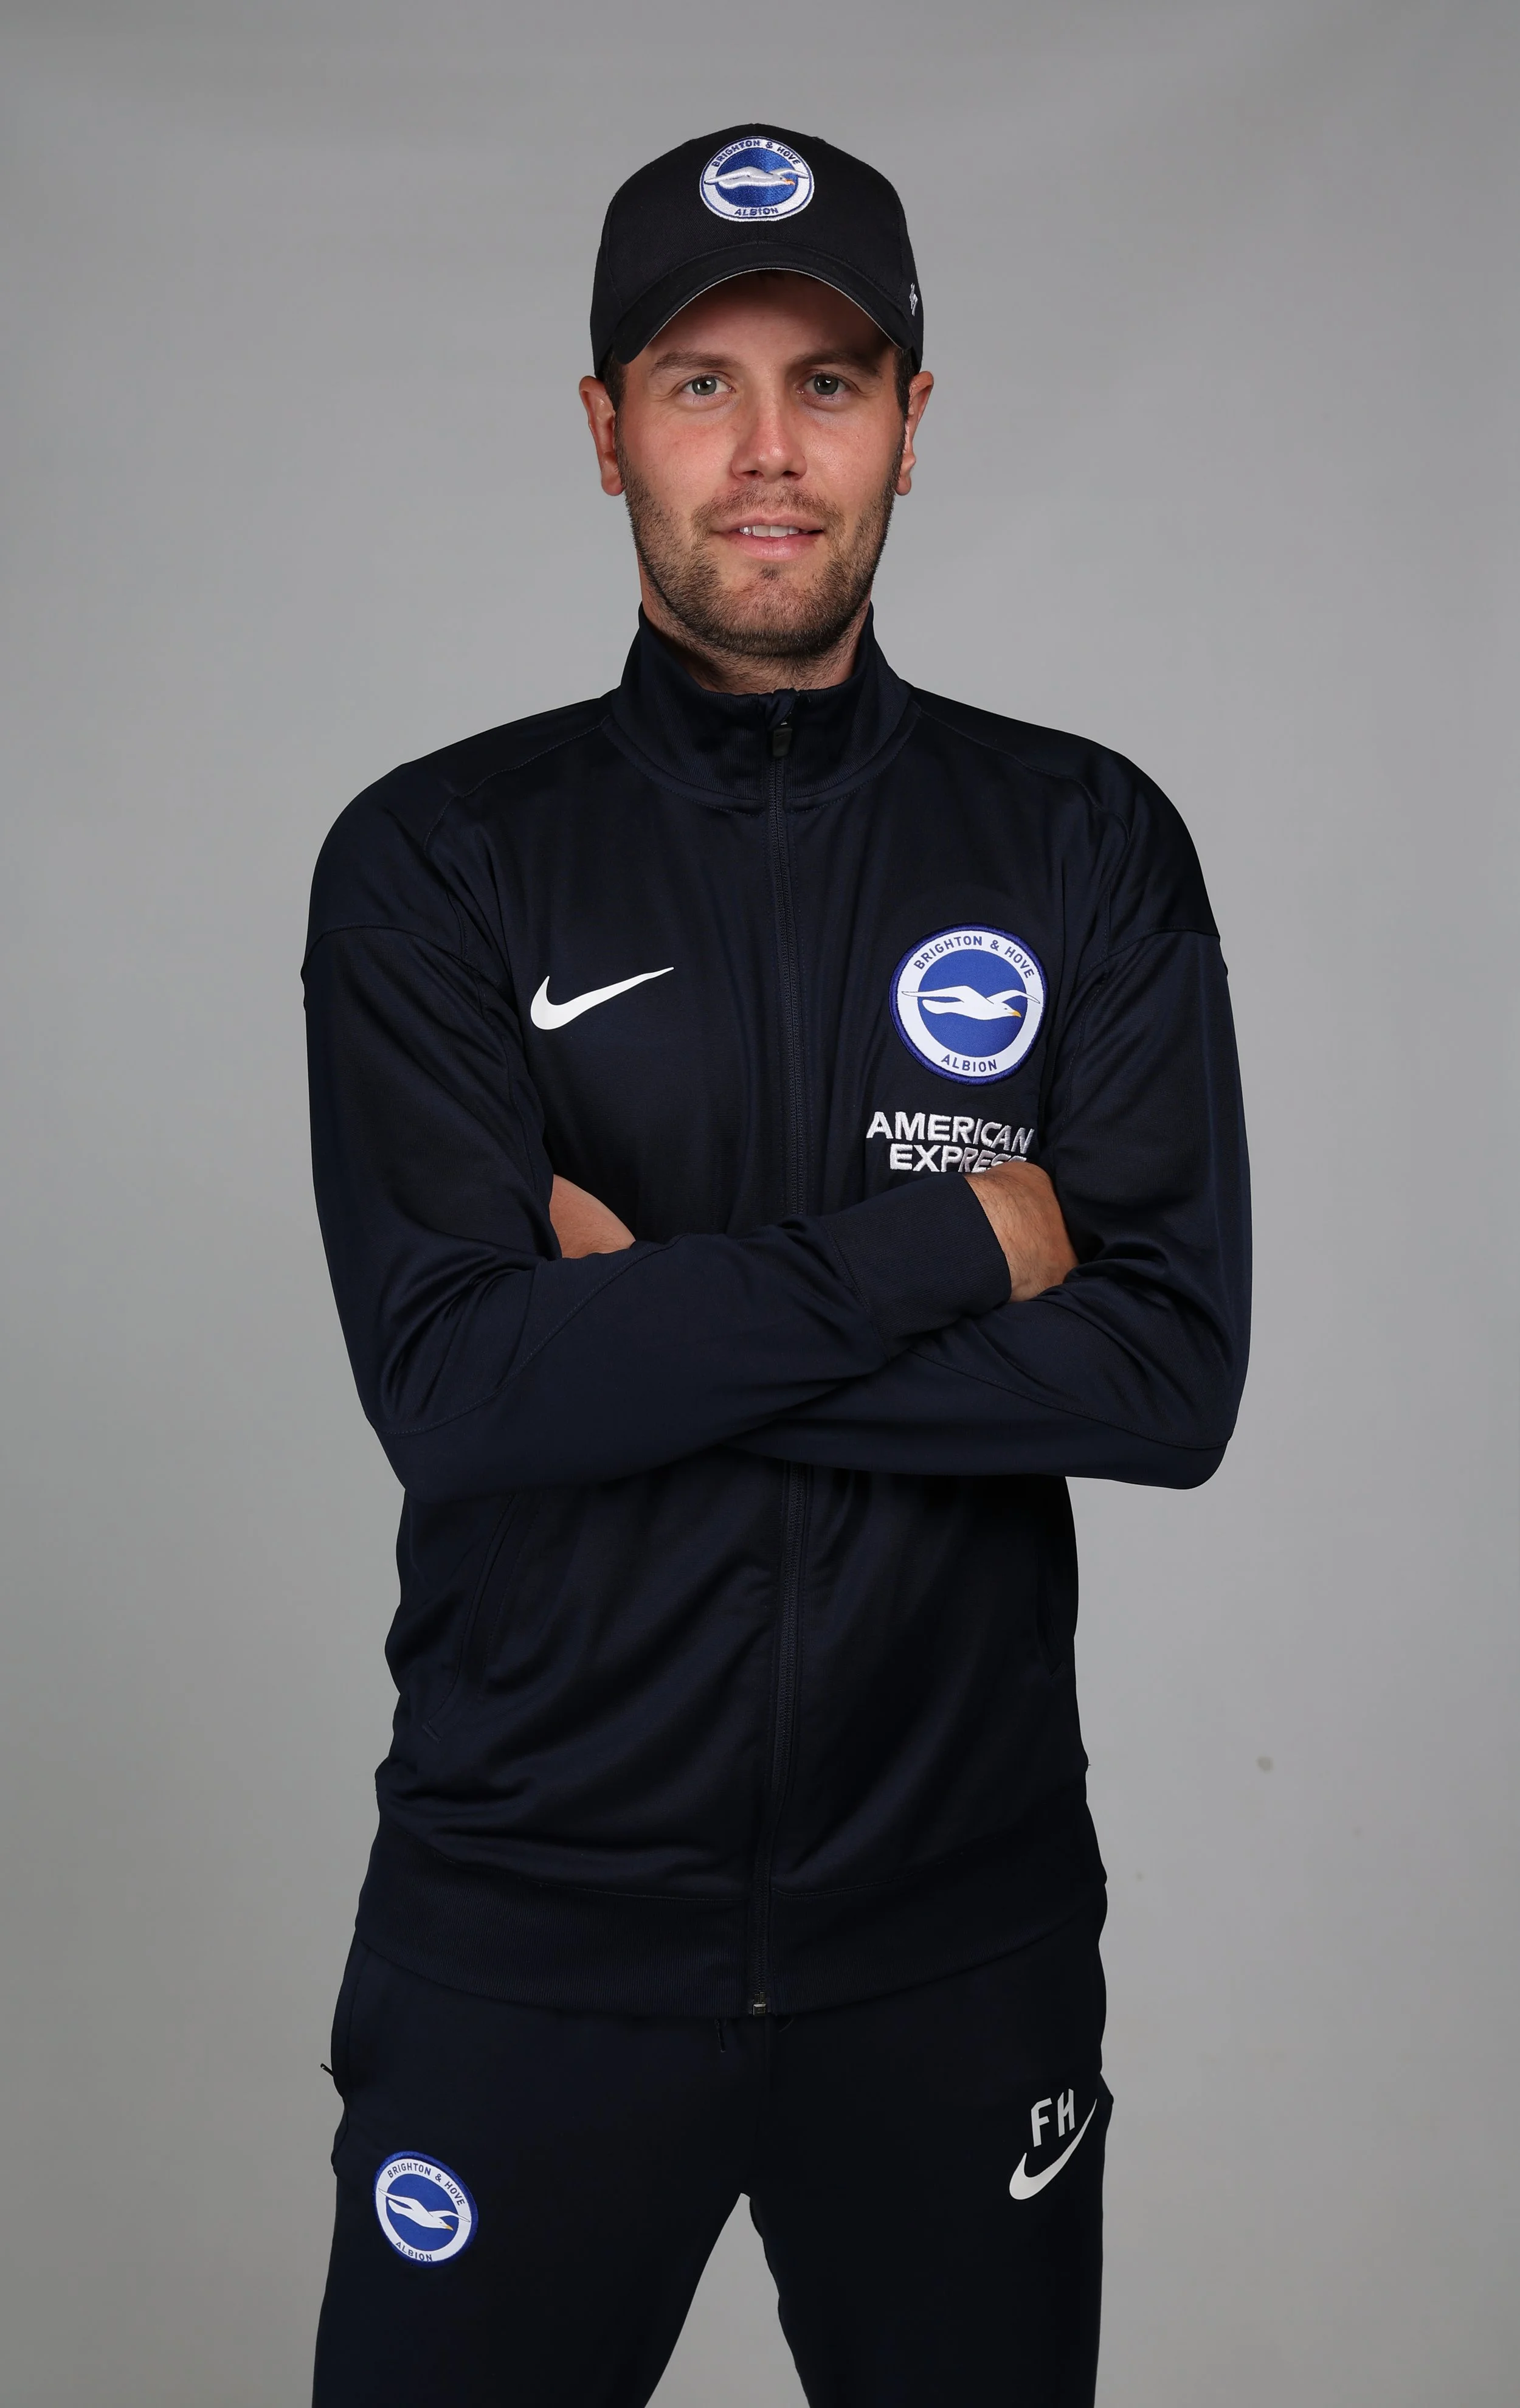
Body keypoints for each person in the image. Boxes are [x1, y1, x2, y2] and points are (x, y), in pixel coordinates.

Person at [304, 123, 1250, 2408]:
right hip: (529, 1944)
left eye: (824, 383)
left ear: (912, 420)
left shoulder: (1081, 840)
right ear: (604, 425)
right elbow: (457, 1384)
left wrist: (641, 1329)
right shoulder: (439, 861)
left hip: (958, 1941)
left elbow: (1162, 1380)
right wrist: (965, 1236)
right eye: (696, 381)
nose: (762, 451)